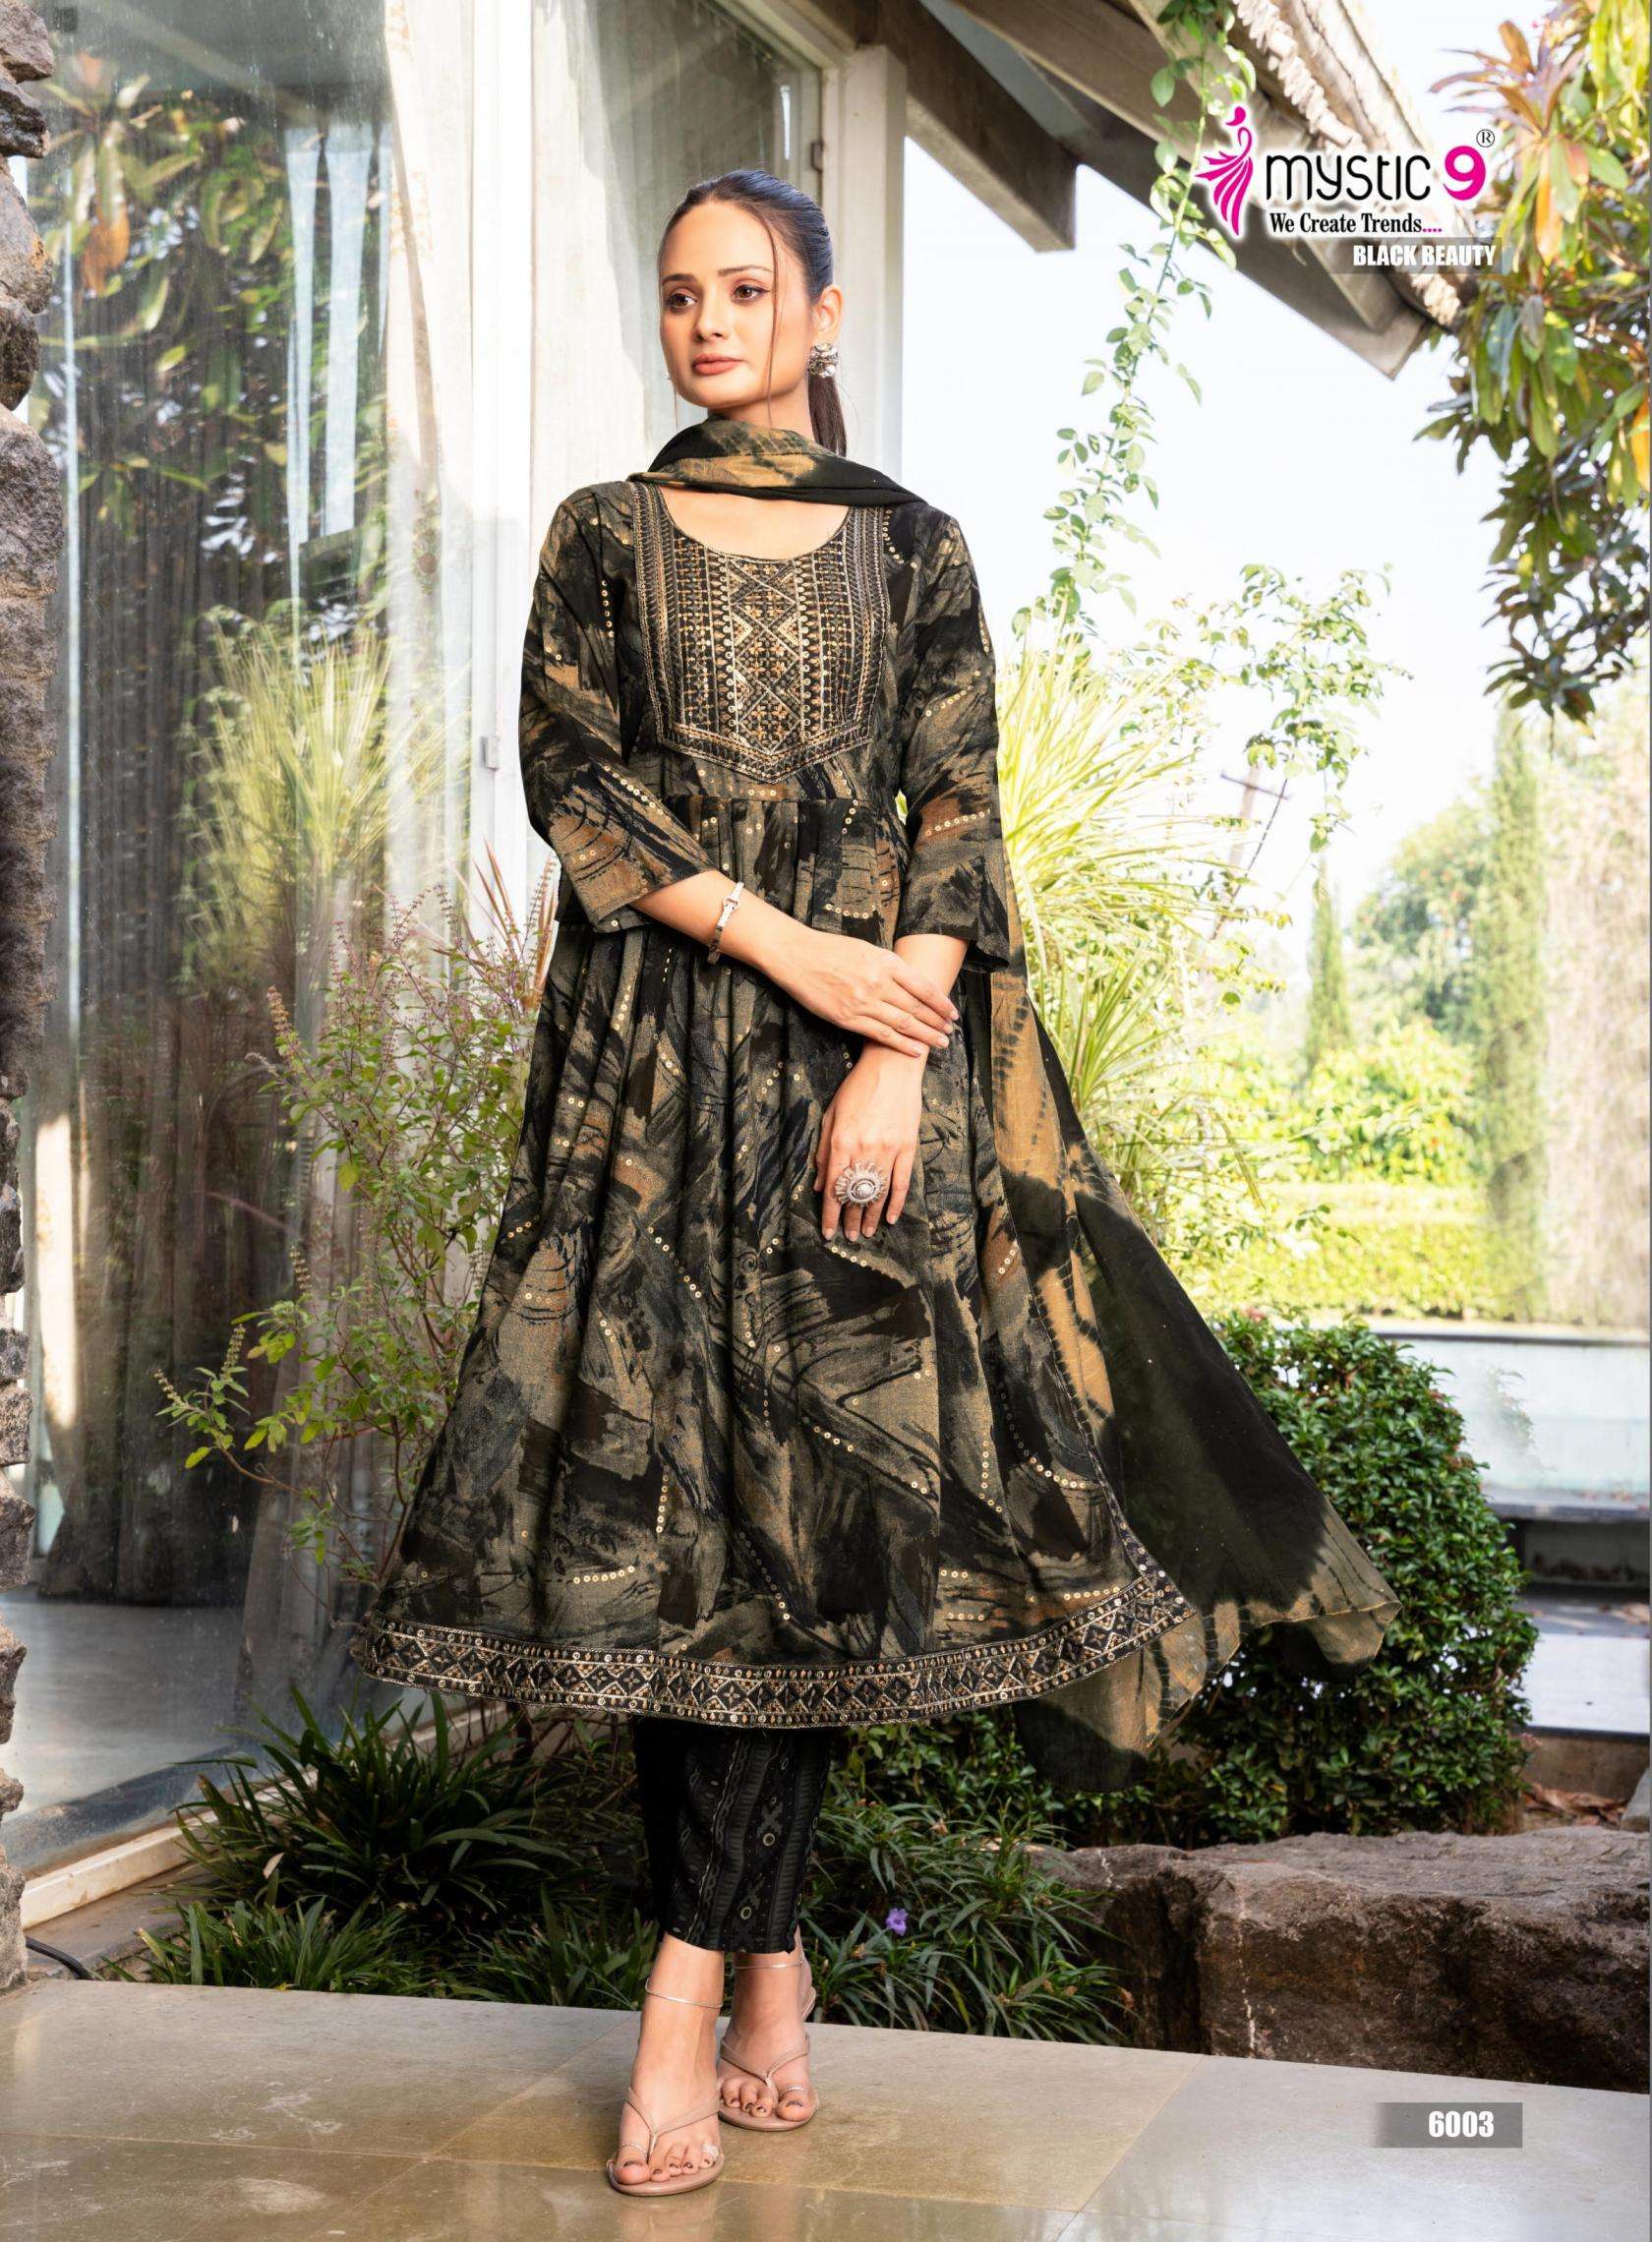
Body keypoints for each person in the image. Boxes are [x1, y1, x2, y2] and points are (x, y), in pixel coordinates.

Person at [350, 166, 1401, 2198]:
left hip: (860, 1097)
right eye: (682, 293)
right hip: (650, 1088)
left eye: (748, 289)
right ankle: (763, 1967)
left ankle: (683, 1988)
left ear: (823, 317)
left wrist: (892, 1050)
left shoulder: (916, 548)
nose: (710, 321)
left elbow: (958, 809)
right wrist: (789, 950)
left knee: (816, 1516)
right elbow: (575, 781)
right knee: (670, 1536)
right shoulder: (599, 534)